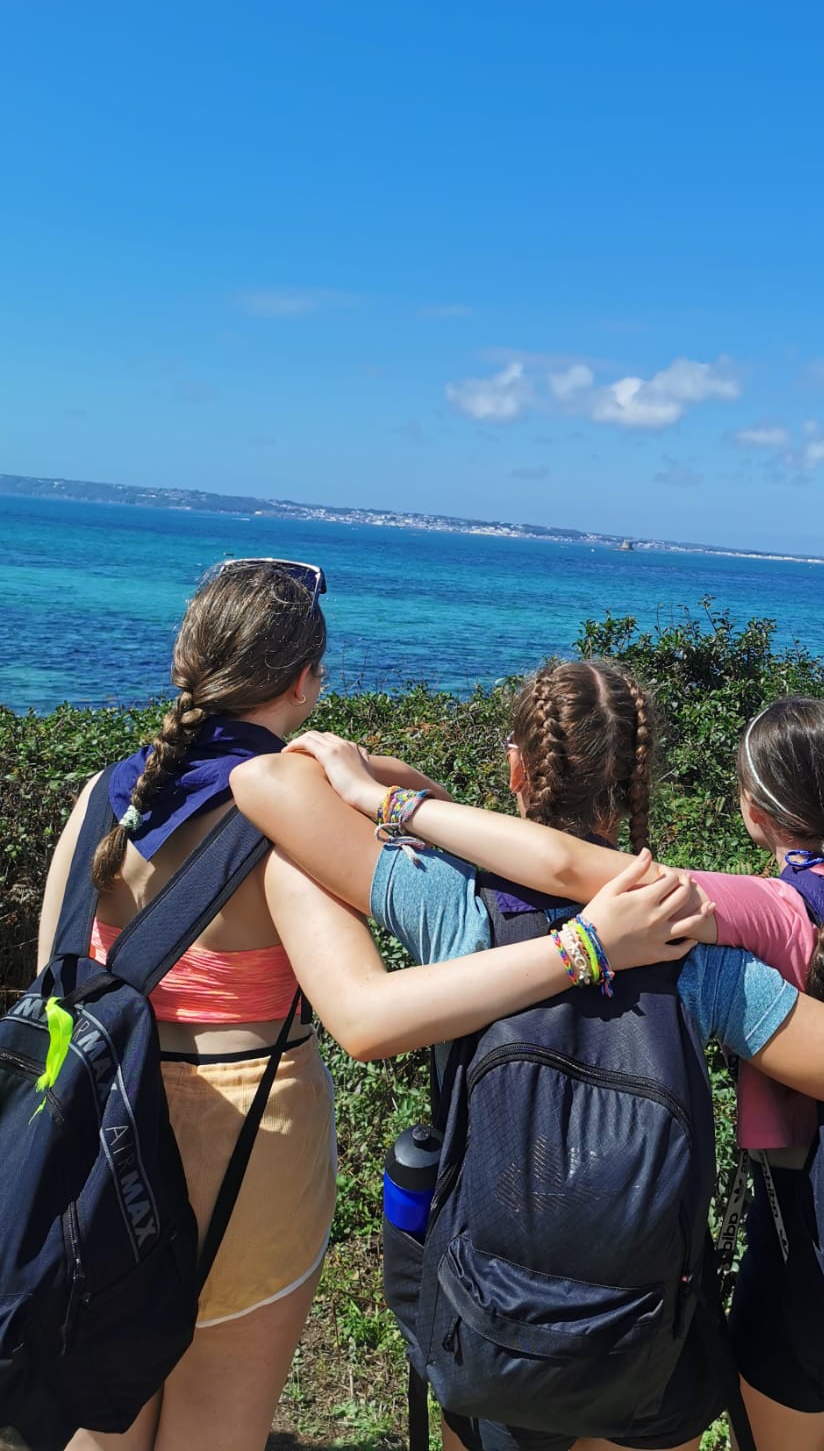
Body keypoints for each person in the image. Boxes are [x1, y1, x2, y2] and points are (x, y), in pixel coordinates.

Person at [36, 571, 705, 1451]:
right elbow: (366, 1018)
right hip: (241, 1144)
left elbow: (52, 977)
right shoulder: (277, 820)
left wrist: (350, 765)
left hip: (89, 1134)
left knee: (101, 1419)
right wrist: (581, 949)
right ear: (307, 680)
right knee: (212, 1429)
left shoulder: (98, 800)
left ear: (183, 661)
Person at [232, 660, 824, 1451]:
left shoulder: (449, 898)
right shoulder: (689, 939)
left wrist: (366, 776)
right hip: (644, 1336)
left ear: (516, 767)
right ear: (637, 786)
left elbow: (266, 778)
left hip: (493, 1314)